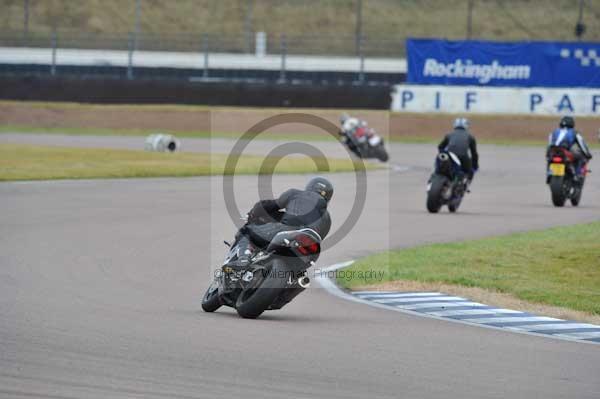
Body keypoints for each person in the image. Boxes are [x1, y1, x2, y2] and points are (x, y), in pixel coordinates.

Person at [227, 177, 333, 270]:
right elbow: (319, 240)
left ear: (309, 187)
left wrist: (252, 215)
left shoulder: (295, 193)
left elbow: (267, 206)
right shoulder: (327, 219)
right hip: (307, 250)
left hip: (286, 230)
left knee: (247, 231)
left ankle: (243, 259)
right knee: (299, 275)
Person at [546, 116, 593, 183]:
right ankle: (577, 175)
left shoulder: (554, 132)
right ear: (572, 124)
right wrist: (588, 154)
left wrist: (547, 155)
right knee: (581, 157)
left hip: (553, 151)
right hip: (564, 152)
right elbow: (582, 145)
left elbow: (549, 144)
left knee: (549, 160)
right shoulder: (574, 132)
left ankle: (549, 174)